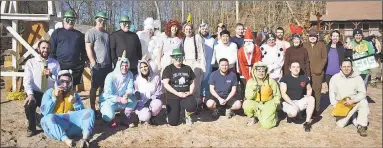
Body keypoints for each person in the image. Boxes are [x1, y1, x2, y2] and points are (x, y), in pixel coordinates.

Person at [40, 70, 94, 147]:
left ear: (71, 83)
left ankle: (85, 140)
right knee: (47, 118)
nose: (65, 84)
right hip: (56, 126)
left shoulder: (74, 94)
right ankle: (68, 141)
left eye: (67, 82)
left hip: (72, 126)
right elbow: (44, 112)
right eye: (62, 81)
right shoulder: (49, 93)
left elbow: (82, 115)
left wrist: (76, 103)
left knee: (90, 111)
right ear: (57, 81)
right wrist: (54, 98)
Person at [23, 40, 60, 137]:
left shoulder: (55, 63)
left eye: (48, 48)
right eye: (43, 48)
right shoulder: (30, 62)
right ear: (38, 49)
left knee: (50, 118)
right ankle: (31, 128)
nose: (45, 50)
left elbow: (59, 81)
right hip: (36, 92)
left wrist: (52, 75)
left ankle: (40, 118)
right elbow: (27, 80)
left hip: (49, 93)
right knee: (29, 104)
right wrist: (30, 95)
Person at [329, 59, 370, 137]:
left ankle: (361, 125)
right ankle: (353, 117)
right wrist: (334, 106)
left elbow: (363, 93)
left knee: (363, 102)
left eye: (348, 66)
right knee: (340, 125)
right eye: (344, 67)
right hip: (342, 105)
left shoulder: (358, 78)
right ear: (340, 67)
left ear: (352, 67)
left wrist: (353, 100)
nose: (346, 68)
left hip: (354, 103)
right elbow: (332, 94)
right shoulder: (334, 78)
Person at [85, 12, 113, 119]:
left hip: (107, 65)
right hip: (97, 65)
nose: (102, 22)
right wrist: (93, 63)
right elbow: (88, 48)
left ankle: (102, 107)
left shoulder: (107, 33)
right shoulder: (91, 32)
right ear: (96, 20)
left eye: (104, 20)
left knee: (104, 88)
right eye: (100, 20)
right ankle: (92, 108)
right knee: (94, 87)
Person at [98, 51, 137, 128]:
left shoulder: (130, 74)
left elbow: (130, 87)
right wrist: (119, 99)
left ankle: (125, 118)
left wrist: (127, 94)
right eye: (122, 65)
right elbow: (107, 94)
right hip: (108, 100)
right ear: (119, 65)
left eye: (126, 66)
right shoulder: (110, 76)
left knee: (133, 99)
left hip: (122, 98)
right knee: (108, 116)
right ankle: (109, 119)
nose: (124, 68)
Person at [50, 10, 86, 89]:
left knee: (72, 90)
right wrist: (53, 65)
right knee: (60, 88)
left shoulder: (79, 35)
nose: (70, 22)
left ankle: (72, 101)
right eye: (68, 19)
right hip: (60, 66)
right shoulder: (57, 33)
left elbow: (83, 51)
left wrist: (82, 64)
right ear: (64, 20)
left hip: (75, 67)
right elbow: (52, 50)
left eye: (72, 20)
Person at [162, 48, 197, 126]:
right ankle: (170, 112)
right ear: (172, 58)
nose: (178, 59)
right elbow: (166, 84)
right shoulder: (168, 69)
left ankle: (187, 114)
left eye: (180, 56)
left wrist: (190, 92)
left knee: (192, 106)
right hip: (173, 96)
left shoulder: (187, 68)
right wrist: (178, 93)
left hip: (185, 94)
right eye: (176, 57)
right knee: (173, 123)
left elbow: (192, 82)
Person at [243, 62, 281, 128]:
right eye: (259, 71)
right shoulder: (250, 82)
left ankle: (274, 116)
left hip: (268, 103)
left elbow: (277, 95)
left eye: (263, 71)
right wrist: (254, 89)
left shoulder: (271, 81)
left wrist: (275, 104)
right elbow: (248, 97)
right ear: (255, 71)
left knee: (267, 125)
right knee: (246, 103)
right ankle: (253, 118)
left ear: (266, 72)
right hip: (256, 103)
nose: (261, 73)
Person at [280, 61, 315, 132]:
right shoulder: (285, 78)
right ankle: (290, 116)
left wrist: (307, 96)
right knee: (293, 113)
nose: (296, 69)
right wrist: (293, 105)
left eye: (298, 67)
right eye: (294, 67)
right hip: (288, 102)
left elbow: (309, 89)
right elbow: (283, 94)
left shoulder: (304, 78)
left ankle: (307, 122)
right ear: (290, 69)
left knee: (311, 99)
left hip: (299, 101)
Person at [303, 29, 327, 116]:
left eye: (314, 36)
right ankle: (306, 110)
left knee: (317, 91)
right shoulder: (304, 45)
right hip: (307, 73)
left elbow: (324, 58)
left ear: (317, 37)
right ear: (308, 37)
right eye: (311, 36)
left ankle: (316, 110)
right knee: (306, 92)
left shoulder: (321, 45)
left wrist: (319, 68)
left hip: (317, 73)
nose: (312, 38)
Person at [181, 23, 206, 105]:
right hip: (185, 63)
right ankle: (188, 104)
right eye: (186, 29)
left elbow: (202, 52)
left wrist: (202, 66)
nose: (188, 31)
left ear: (192, 30)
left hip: (196, 63)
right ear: (184, 31)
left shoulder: (197, 37)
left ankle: (197, 104)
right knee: (187, 84)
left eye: (189, 29)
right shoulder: (183, 39)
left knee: (196, 85)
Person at [134, 59, 163, 124]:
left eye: (145, 66)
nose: (143, 69)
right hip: (141, 104)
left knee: (158, 103)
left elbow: (159, 91)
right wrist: (136, 94)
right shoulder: (136, 78)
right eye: (141, 67)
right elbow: (135, 90)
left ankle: (153, 116)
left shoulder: (156, 77)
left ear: (148, 66)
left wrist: (151, 99)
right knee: (144, 117)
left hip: (151, 102)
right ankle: (141, 116)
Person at [237, 27, 262, 100]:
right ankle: (244, 102)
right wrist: (246, 75)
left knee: (254, 86)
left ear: (252, 42)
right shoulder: (240, 51)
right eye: (246, 41)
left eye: (250, 42)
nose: (248, 43)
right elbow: (240, 63)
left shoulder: (257, 49)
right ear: (244, 42)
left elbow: (258, 61)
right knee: (244, 87)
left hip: (254, 70)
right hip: (244, 70)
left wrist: (252, 74)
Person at [198, 23, 215, 106]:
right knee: (198, 81)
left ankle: (205, 100)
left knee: (206, 81)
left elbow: (215, 51)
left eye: (206, 29)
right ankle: (198, 100)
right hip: (198, 63)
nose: (204, 30)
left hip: (208, 63)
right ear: (199, 30)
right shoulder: (197, 39)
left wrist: (213, 61)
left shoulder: (212, 40)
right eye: (202, 29)